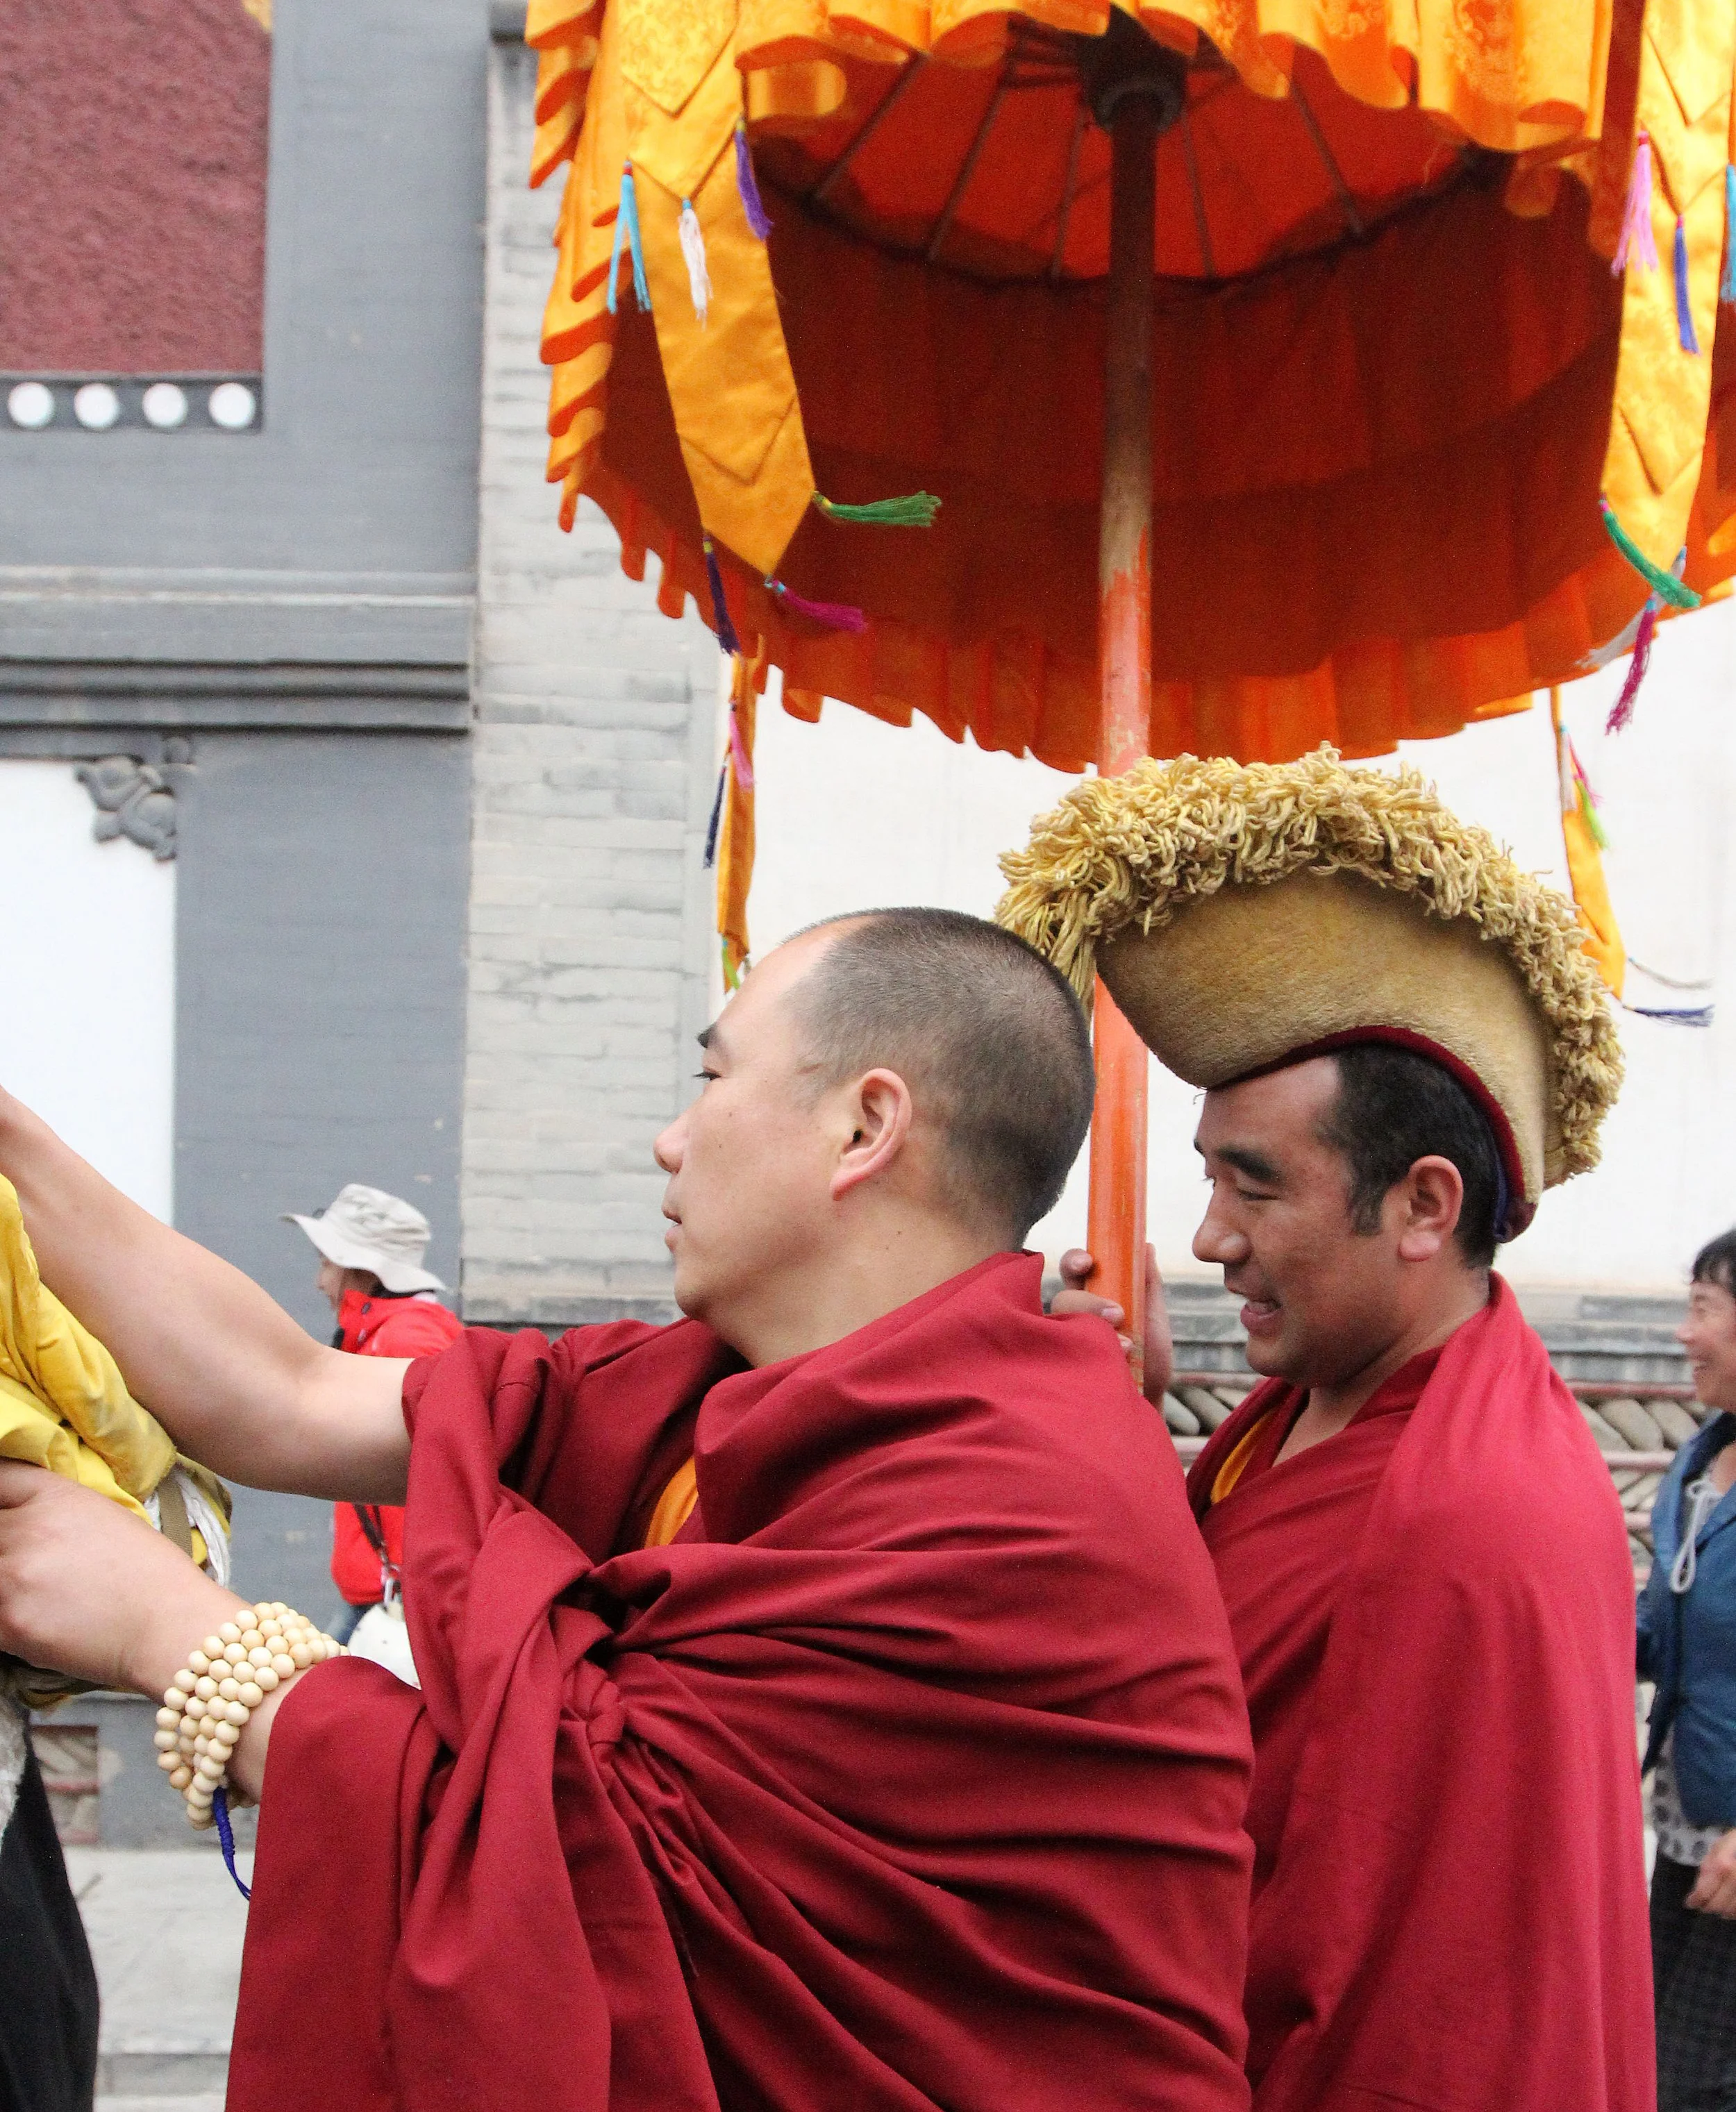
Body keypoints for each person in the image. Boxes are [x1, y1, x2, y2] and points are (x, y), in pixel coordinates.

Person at [0, 907, 1255, 2112]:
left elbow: (573, 1863)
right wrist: (16, 1149)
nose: (670, 1138)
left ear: (866, 1126)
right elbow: (285, 1393)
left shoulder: (1024, 1500)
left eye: (712, 1081)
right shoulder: (702, 1388)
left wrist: (167, 1629)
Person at [1014, 751, 1653, 2112]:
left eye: (1253, 1187)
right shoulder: (1311, 1409)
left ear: (1422, 1206)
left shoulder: (1467, 1522)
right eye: (1204, 1178)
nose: (1206, 1238)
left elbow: (1419, 2005)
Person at [1640, 1227, 1736, 2112]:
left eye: (1702, 1309)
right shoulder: (1702, 1460)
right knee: (1642, 2058)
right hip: (1688, 1820)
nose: (1684, 1333)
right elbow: (1656, 1627)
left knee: (1688, 2084)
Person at [283, 1184, 460, 1643]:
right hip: (386, 1590)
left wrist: (409, 1581)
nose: (320, 1282)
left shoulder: (405, 1342)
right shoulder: (388, 1335)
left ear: (360, 1268)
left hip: (396, 1597)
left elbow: (435, 1470)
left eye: (327, 1263)